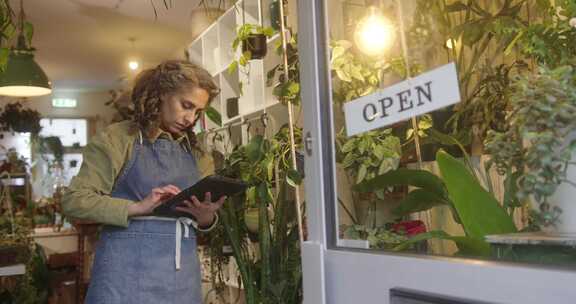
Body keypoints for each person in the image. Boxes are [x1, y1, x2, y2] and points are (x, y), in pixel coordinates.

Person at [62, 60, 224, 304]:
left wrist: (206, 219)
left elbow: (206, 219)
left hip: (182, 279)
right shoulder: (118, 138)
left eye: (198, 112)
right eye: (186, 106)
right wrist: (135, 208)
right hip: (122, 276)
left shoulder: (199, 154)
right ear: (161, 95)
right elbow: (74, 201)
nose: (190, 118)